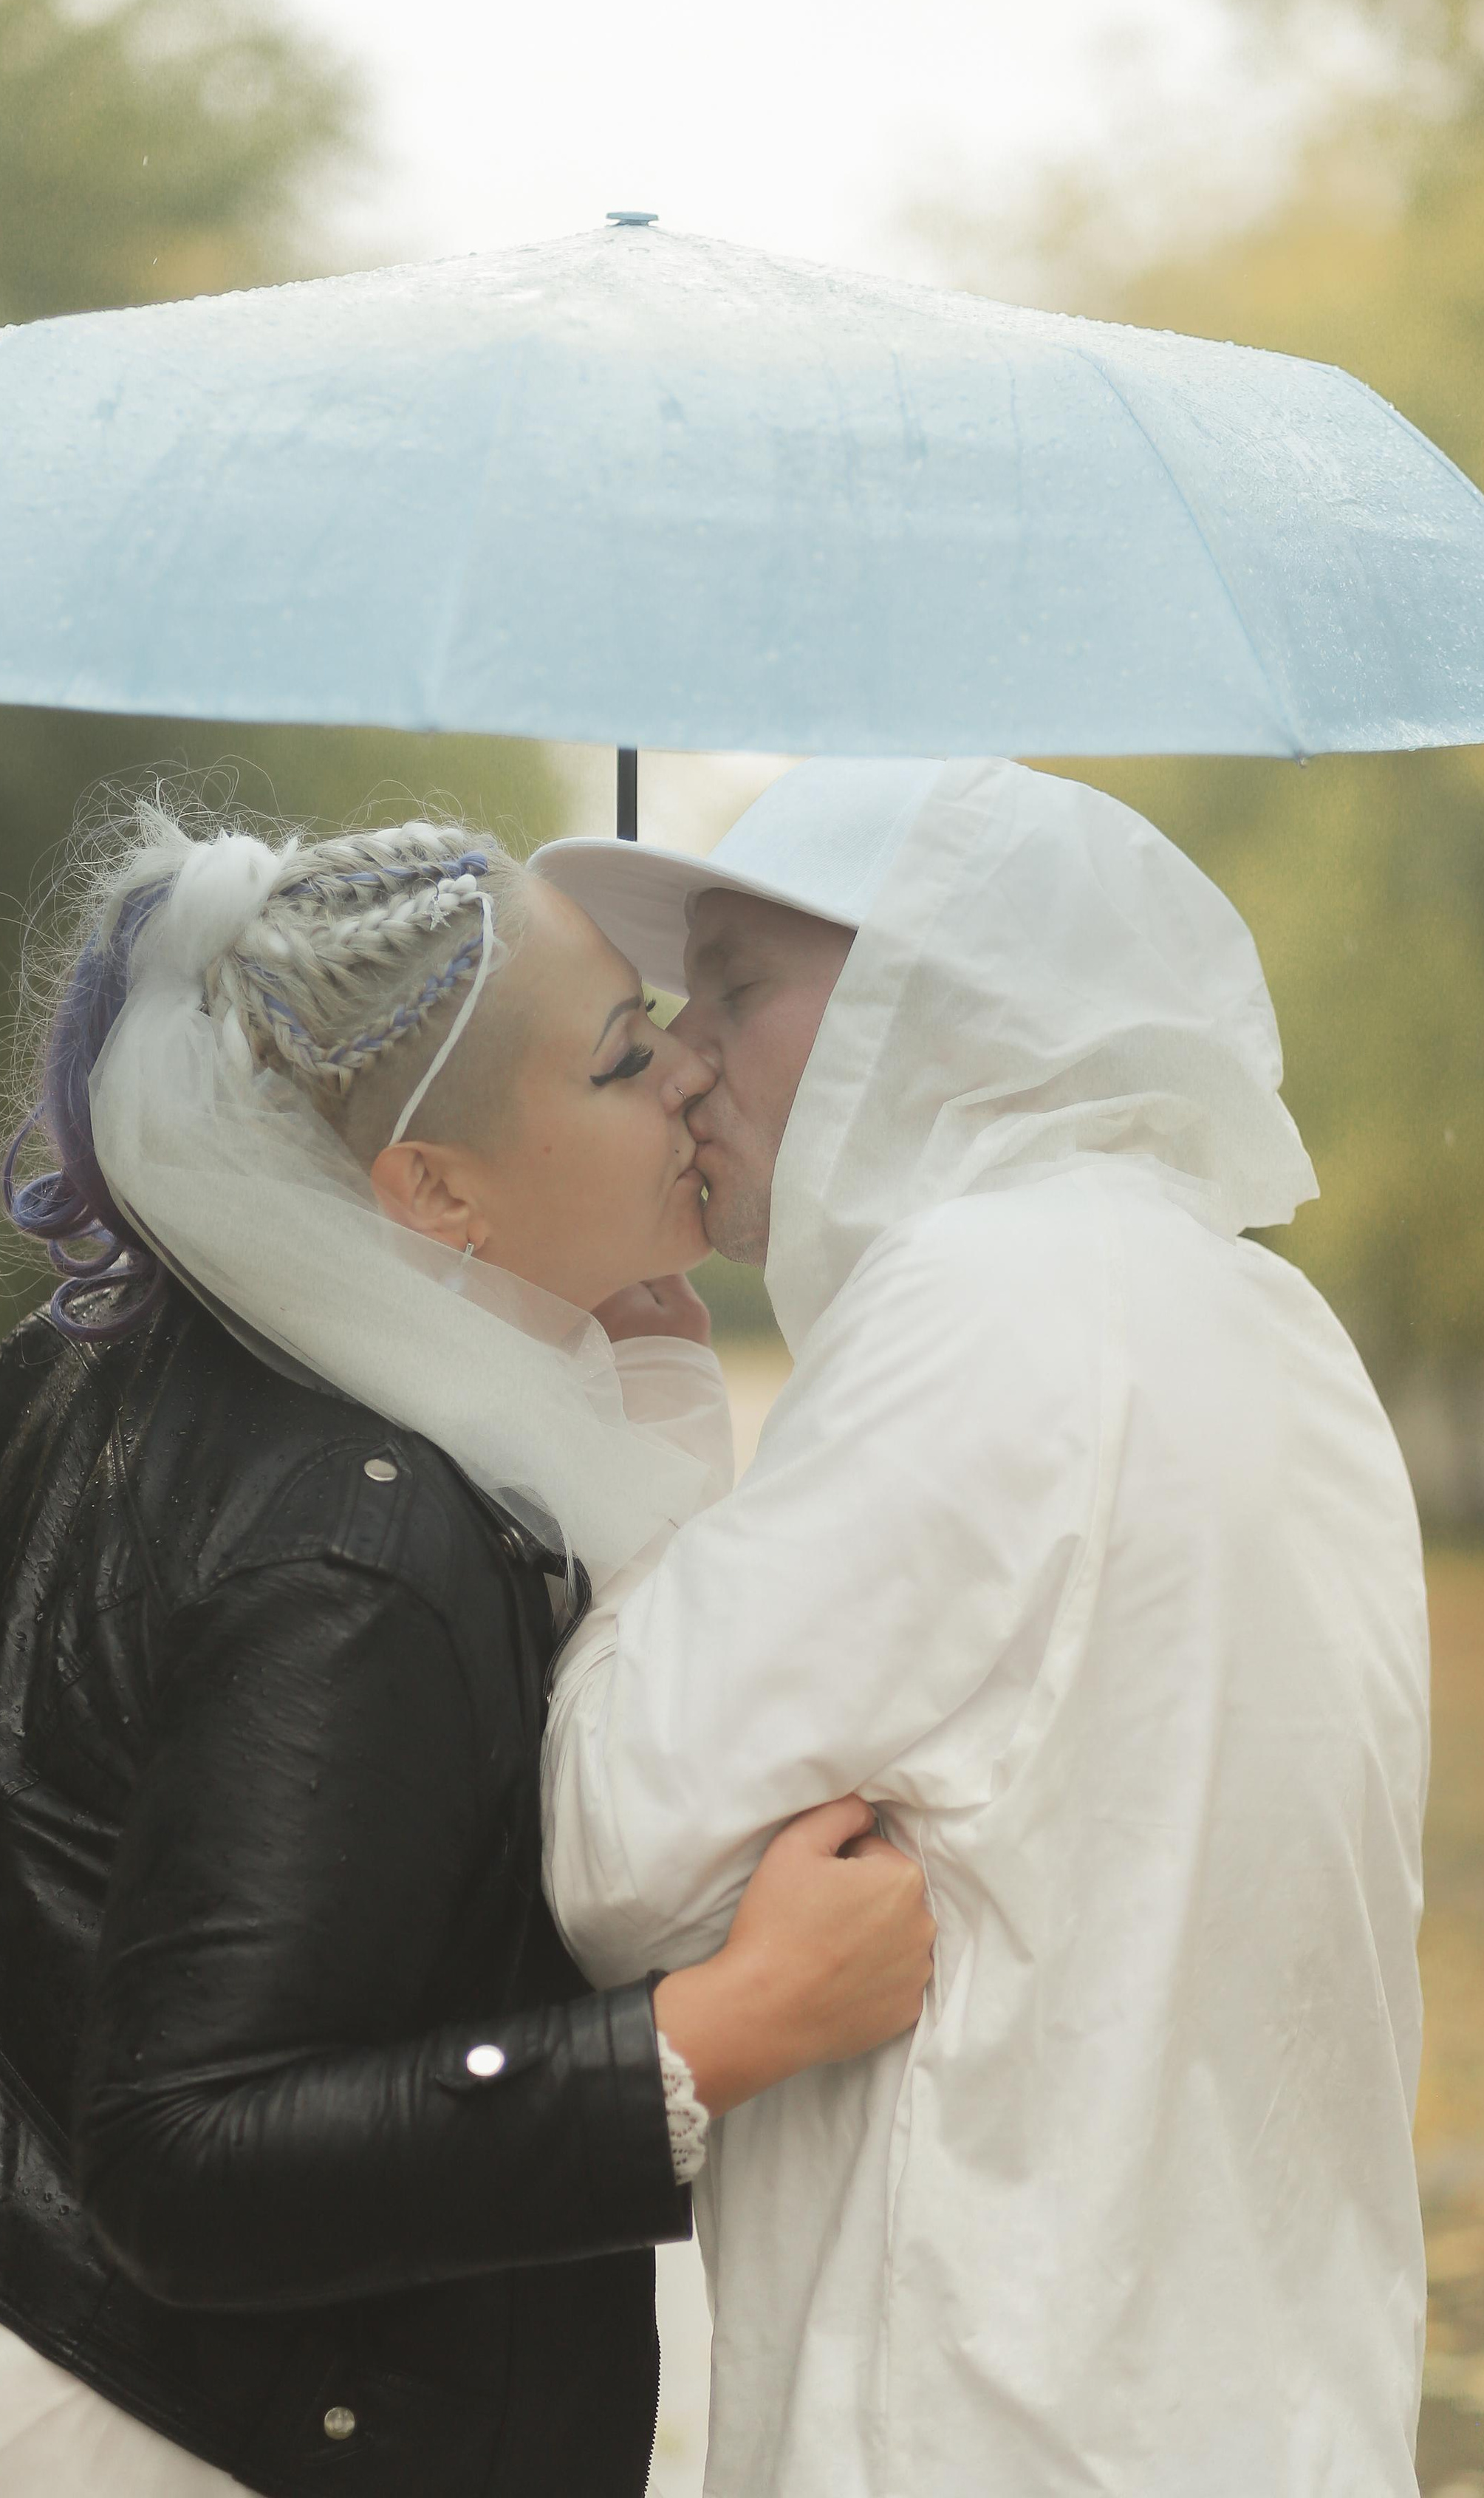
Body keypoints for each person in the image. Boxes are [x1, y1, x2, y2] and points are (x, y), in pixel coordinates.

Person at [0, 802, 934, 2498]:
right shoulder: (357, 1543)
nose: (691, 1070)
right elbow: (187, 2160)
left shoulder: (125, 1348)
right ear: (435, 1189)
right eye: (623, 1058)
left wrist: (645, 1384)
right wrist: (719, 2028)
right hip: (103, 2422)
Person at [536, 755, 1431, 2498]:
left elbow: (612, 1847)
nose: (683, 1056)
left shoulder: (981, 1303)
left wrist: (637, 1392)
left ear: (939, 998)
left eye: (736, 988)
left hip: (989, 2423)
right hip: (1259, 2418)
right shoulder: (1265, 1319)